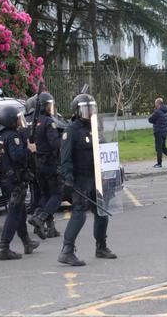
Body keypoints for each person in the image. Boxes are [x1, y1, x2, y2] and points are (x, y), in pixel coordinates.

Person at [59, 94, 117, 266]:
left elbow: (105, 149)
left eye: (92, 108)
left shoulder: (94, 128)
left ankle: (101, 247)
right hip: (81, 179)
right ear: (77, 111)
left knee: (101, 211)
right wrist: (68, 178)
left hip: (97, 177)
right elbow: (66, 158)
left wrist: (112, 168)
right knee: (79, 214)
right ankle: (66, 251)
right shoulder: (71, 130)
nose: (90, 111)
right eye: (86, 109)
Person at [0, 106, 40, 260]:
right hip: (14, 179)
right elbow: (18, 157)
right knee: (14, 212)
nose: (19, 121)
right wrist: (30, 150)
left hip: (4, 178)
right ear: (11, 120)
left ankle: (26, 242)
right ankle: (4, 247)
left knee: (20, 212)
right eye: (17, 118)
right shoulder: (12, 136)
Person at [26, 92, 62, 240]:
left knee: (44, 195)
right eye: (48, 105)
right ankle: (40, 218)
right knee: (56, 195)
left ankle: (43, 222)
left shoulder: (28, 120)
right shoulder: (48, 122)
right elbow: (55, 144)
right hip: (49, 163)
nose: (50, 108)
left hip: (34, 164)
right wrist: (63, 139)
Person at [148, 98, 167, 169]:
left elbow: (150, 119)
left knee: (159, 148)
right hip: (165, 132)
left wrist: (155, 119)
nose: (155, 105)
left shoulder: (157, 112)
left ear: (158, 104)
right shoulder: (165, 111)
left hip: (158, 132)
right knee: (163, 148)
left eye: (155, 104)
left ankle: (159, 164)